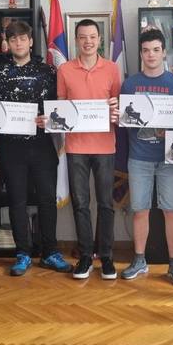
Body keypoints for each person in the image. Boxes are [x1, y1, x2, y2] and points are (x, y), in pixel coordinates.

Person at [0, 20, 71, 277]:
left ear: (31, 41)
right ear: (8, 43)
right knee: (17, 200)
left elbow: (60, 106)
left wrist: (49, 119)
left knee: (47, 199)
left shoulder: (48, 71)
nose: (18, 43)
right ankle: (22, 253)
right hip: (10, 147)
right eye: (13, 39)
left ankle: (50, 252)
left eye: (23, 38)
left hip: (42, 144)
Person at [120, 28, 173, 286]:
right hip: (139, 157)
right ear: (141, 53)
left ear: (164, 53)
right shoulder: (130, 84)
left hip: (170, 157)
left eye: (156, 50)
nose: (151, 55)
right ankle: (139, 260)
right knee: (140, 210)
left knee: (172, 211)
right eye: (146, 50)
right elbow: (124, 121)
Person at [55, 18, 121, 280]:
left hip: (105, 145)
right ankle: (85, 256)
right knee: (81, 203)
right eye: (83, 37)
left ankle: (106, 257)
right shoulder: (64, 70)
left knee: (106, 203)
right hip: (76, 146)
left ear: (99, 39)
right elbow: (61, 105)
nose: (88, 41)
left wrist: (115, 110)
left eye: (92, 36)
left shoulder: (112, 69)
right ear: (76, 40)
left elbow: (118, 105)